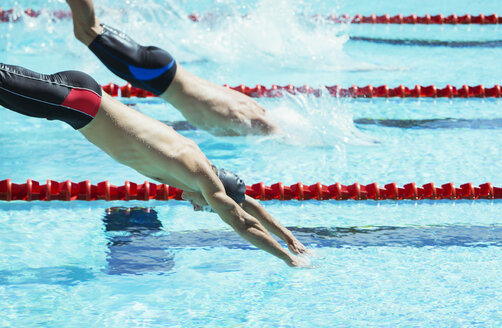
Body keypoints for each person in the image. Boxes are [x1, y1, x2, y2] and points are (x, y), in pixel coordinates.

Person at [0, 63, 308, 266]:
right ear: (217, 194)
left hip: (81, 102)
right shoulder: (198, 173)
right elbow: (242, 221)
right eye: (212, 207)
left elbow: (248, 205)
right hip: (80, 103)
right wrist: (287, 258)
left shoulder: (200, 170)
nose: (199, 209)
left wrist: (290, 237)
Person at [65, 0, 280, 136]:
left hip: (161, 68)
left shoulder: (245, 106)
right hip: (152, 74)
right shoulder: (238, 117)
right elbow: (274, 131)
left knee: (90, 29)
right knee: (86, 30)